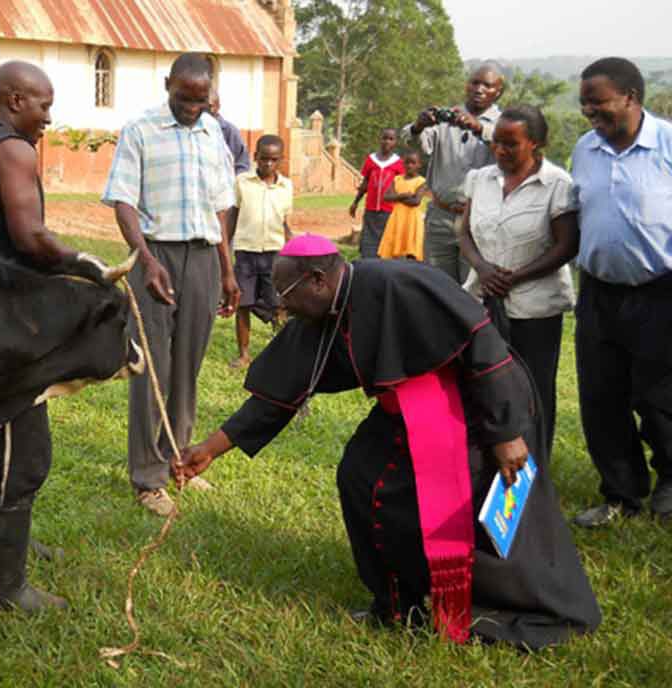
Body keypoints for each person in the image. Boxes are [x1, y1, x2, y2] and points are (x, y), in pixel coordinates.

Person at [174, 233, 601, 649]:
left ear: (319, 280)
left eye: (286, 293)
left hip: (479, 410)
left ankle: (496, 607)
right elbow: (273, 400)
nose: (281, 304)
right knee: (362, 476)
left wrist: (506, 433)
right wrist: (209, 450)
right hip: (405, 411)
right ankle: (397, 603)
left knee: (464, 502)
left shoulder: (399, 282)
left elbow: (483, 344)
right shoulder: (319, 313)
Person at [0, 60, 80, 612]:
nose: (49, 117)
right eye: (43, 105)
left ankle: (14, 543)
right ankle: (3, 587)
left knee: (13, 447)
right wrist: (83, 266)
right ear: (13, 101)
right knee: (21, 452)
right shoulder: (14, 151)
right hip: (7, 326)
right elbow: (30, 238)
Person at [102, 52, 239, 517]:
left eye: (201, 101)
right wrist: (145, 259)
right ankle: (147, 477)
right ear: (168, 86)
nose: (192, 109)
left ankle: (179, 461)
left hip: (202, 257)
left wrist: (226, 267)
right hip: (155, 256)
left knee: (188, 364)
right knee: (152, 367)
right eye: (184, 100)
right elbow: (122, 199)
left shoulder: (212, 131)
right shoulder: (141, 129)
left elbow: (221, 203)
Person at [569, 58, 672, 527]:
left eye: (599, 103)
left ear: (630, 96)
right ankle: (621, 493)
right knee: (601, 397)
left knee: (659, 395)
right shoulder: (585, 150)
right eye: (585, 105)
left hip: (660, 292)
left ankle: (670, 481)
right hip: (599, 293)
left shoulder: (667, 144)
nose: (591, 113)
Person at [459, 105, 578, 457]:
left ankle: (535, 471)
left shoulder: (557, 184)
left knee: (533, 390)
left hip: (535, 309)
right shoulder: (480, 179)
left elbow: (567, 244)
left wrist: (516, 277)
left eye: (511, 144)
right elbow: (463, 232)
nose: (500, 151)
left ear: (536, 144)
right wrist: (483, 268)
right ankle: (488, 463)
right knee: (484, 384)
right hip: (482, 301)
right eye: (496, 142)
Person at [402, 63, 505, 282]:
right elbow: (412, 142)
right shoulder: (447, 118)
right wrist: (418, 126)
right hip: (441, 216)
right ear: (467, 86)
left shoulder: (505, 124)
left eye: (487, 85)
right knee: (438, 287)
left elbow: (510, 150)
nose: (479, 89)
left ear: (498, 92)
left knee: (473, 290)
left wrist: (479, 128)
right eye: (475, 82)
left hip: (480, 219)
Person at [228, 134, 293, 369]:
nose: (268, 164)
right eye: (264, 159)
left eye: (274, 160)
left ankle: (282, 352)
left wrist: (291, 247)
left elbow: (284, 221)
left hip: (274, 254)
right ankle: (244, 354)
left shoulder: (287, 187)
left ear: (281, 160)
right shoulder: (242, 182)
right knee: (242, 304)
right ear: (255, 157)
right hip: (246, 252)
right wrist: (225, 246)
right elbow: (233, 216)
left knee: (278, 305)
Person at [350, 128, 405, 258]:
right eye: (384, 138)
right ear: (380, 140)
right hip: (371, 209)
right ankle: (368, 265)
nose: (387, 141)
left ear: (395, 142)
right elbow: (365, 183)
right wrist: (355, 202)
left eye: (391, 139)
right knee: (369, 243)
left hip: (389, 211)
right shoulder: (371, 160)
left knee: (386, 243)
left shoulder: (398, 163)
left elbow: (401, 186)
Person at [377, 149, 428, 261]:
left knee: (411, 251)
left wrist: (396, 197)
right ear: (403, 164)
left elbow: (416, 202)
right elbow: (386, 197)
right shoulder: (397, 179)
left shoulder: (421, 181)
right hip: (397, 219)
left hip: (412, 220)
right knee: (394, 249)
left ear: (419, 165)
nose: (409, 165)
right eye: (407, 162)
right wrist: (403, 196)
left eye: (413, 163)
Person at [209, 91, 251, 176]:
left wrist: (236, 184)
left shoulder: (229, 131)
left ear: (218, 106)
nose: (205, 110)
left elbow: (242, 163)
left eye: (210, 106)